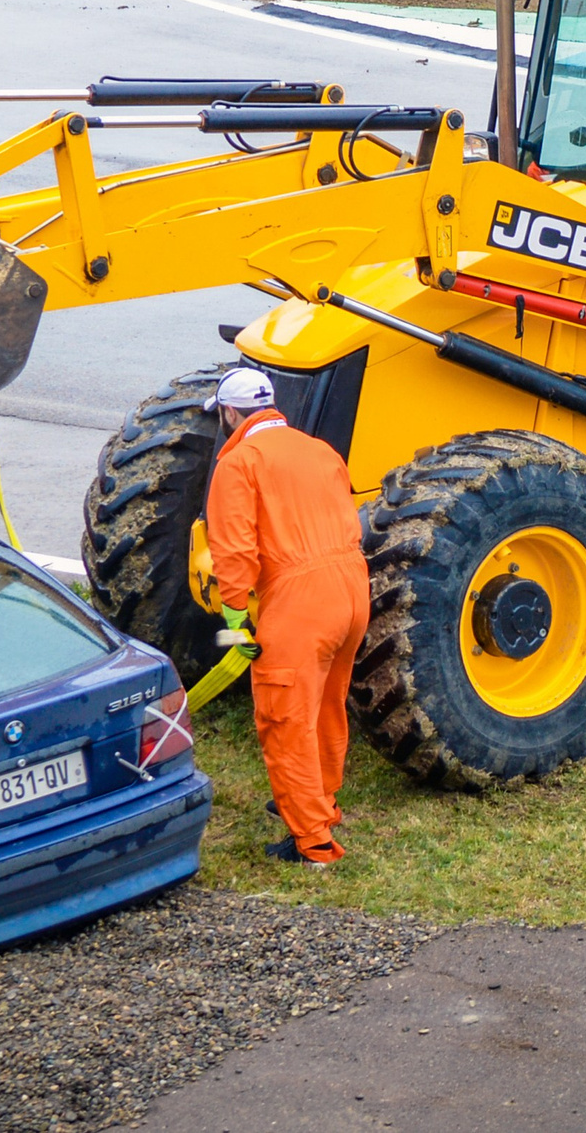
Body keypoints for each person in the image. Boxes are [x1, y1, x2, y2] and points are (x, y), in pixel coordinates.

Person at [202, 368, 369, 866]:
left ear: (230, 414)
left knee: (285, 718)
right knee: (325, 707)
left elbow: (233, 552)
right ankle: (322, 802)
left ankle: (313, 842)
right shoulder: (320, 450)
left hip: (300, 602)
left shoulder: (240, 463)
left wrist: (235, 626)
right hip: (352, 590)